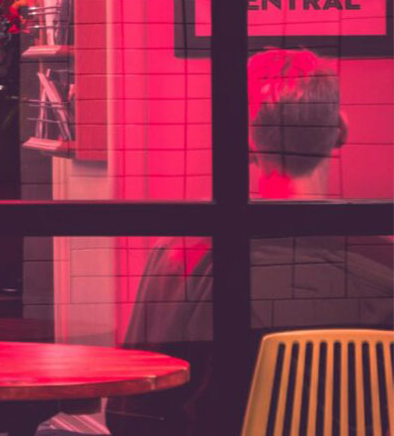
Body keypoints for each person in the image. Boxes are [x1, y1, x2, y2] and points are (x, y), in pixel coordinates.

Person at [109, 49, 394, 434]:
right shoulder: (385, 263)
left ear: (240, 143)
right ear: (341, 131)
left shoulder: (186, 256)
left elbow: (133, 412)